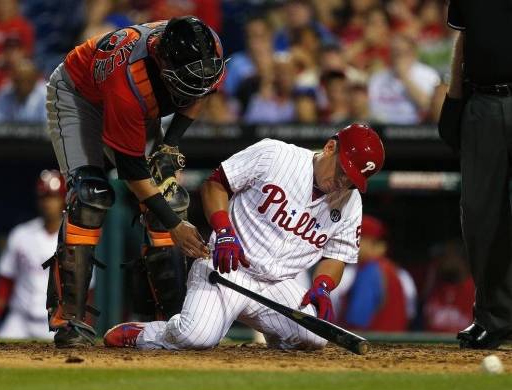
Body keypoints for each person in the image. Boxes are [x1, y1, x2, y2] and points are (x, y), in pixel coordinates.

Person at [103, 123, 385, 350]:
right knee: (196, 337)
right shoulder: (277, 155)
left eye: (352, 179)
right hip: (227, 269)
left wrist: (323, 285)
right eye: (343, 171)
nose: (343, 182)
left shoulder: (350, 202)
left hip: (277, 285)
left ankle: (276, 345)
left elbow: (336, 255)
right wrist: (224, 231)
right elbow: (215, 184)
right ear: (330, 147)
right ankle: (143, 333)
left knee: (314, 338)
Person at [43, 16, 225, 348]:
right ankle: (70, 320)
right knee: (90, 195)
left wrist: (171, 143)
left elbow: (201, 89)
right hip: (79, 96)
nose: (198, 82)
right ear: (163, 62)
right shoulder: (131, 80)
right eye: (187, 75)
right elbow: (132, 171)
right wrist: (175, 226)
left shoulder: (206, 47)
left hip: (136, 106)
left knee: (168, 197)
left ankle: (173, 324)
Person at [439, 1, 512, 349]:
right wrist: (454, 99)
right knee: (480, 215)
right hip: (482, 102)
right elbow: (463, 41)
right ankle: (492, 319)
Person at [0, 170, 65, 339]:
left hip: (55, 322)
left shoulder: (73, 239)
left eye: (53, 197)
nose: (48, 203)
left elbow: (87, 291)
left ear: (63, 200)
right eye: (44, 197)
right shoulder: (21, 234)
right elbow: (5, 281)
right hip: (19, 320)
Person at [339, 215, 409, 332]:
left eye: (357, 238)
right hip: (393, 346)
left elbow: (357, 322)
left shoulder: (369, 270)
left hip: (373, 346)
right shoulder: (389, 269)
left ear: (372, 242)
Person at [368, 34, 440, 125]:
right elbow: (371, 108)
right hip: (381, 128)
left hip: (415, 130)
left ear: (413, 53)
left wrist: (404, 77)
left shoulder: (428, 74)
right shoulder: (378, 77)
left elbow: (428, 105)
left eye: (401, 52)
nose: (397, 56)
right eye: (394, 52)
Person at [0, 58, 46, 123]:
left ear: (35, 79)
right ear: (13, 80)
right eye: (19, 80)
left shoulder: (47, 94)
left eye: (27, 80)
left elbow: (50, 127)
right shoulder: (5, 93)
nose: (22, 84)